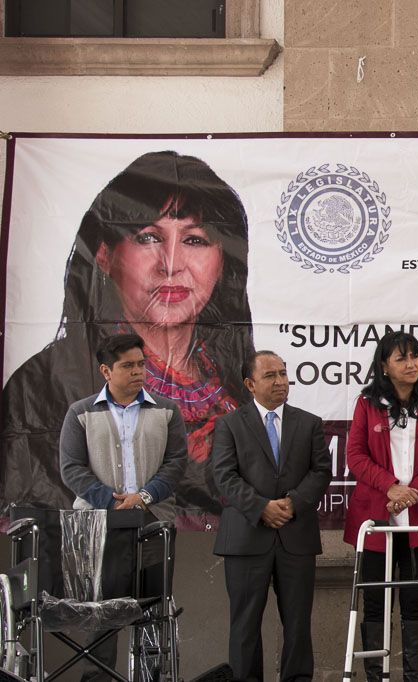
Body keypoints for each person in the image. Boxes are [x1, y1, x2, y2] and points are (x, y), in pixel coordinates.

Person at [2, 150, 254, 519]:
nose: (171, 264)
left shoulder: (239, 380)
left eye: (195, 240)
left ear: (222, 262)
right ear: (104, 255)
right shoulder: (44, 382)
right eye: (148, 237)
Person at [58, 332, 188, 682]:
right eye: (128, 366)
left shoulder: (166, 410)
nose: (138, 371)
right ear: (106, 371)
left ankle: (152, 676)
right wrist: (110, 502)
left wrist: (143, 497)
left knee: (153, 606)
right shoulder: (81, 412)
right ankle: (97, 678)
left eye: (141, 364)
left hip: (152, 521)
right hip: (99, 524)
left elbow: (176, 463)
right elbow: (71, 467)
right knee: (102, 610)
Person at [211, 351, 331, 682]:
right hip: (246, 538)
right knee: (245, 625)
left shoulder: (309, 423)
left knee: (298, 623)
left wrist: (293, 503)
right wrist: (261, 506)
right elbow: (224, 475)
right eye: (270, 375)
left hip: (296, 536)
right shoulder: (229, 425)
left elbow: (321, 471)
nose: (280, 381)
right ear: (250, 384)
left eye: (283, 374)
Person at [343, 332, 418, 682]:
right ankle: (376, 677)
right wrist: (390, 486)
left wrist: (414, 491)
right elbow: (355, 455)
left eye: (415, 356)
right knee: (375, 603)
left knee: (416, 601)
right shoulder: (367, 403)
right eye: (401, 358)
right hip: (376, 516)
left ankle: (413, 678)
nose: (411, 364)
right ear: (384, 366)